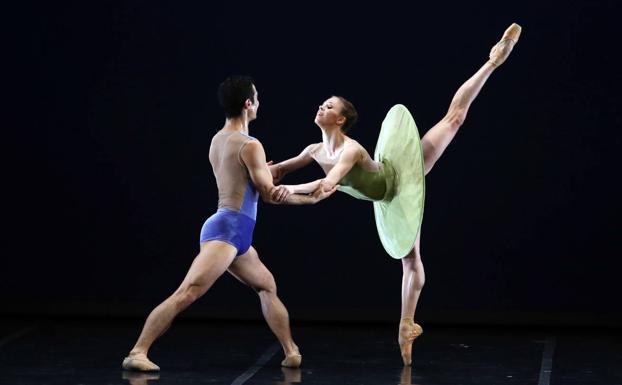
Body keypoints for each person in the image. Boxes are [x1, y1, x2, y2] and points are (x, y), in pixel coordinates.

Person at [269, 24, 522, 365]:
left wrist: (287, 190)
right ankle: (406, 325)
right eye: (322, 104)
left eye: (328, 106)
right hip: (384, 199)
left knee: (454, 119)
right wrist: (266, 175)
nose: (321, 107)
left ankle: (492, 61)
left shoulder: (352, 150)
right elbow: (281, 173)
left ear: (341, 119)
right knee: (410, 261)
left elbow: (327, 186)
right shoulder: (314, 149)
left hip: (399, 175)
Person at [122, 75, 336, 372]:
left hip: (236, 231)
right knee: (188, 291)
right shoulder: (250, 145)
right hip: (227, 230)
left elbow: (247, 182)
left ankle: (291, 351)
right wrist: (315, 192)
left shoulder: (218, 140)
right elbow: (269, 194)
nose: (259, 103)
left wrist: (268, 176)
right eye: (257, 98)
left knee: (266, 286)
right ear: (248, 104)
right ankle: (137, 351)